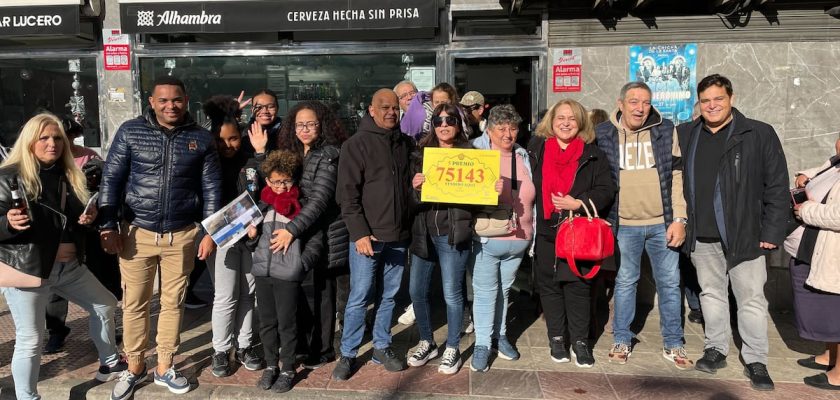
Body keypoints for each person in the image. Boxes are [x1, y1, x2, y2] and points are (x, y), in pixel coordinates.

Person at [99, 76, 221, 399]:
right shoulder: (130, 131)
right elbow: (111, 179)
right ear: (151, 101)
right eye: (163, 100)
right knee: (135, 303)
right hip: (136, 233)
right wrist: (107, 224)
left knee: (173, 301)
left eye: (176, 100)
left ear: (186, 99)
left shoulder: (201, 138)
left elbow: (211, 190)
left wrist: (208, 232)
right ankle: (135, 366)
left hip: (181, 234)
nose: (171, 106)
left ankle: (165, 366)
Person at [0, 113, 126, 400]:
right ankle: (27, 397)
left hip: (68, 267)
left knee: (105, 304)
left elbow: (73, 219)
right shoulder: (8, 177)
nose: (52, 143)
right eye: (43, 138)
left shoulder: (68, 174)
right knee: (31, 339)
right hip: (29, 271)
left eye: (57, 138)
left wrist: (89, 217)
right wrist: (7, 222)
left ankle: (109, 362)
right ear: (29, 141)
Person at [678, 74, 789, 391]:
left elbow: (778, 186)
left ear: (731, 98)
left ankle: (756, 360)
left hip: (746, 234)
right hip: (702, 234)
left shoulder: (758, 133)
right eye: (705, 100)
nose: (712, 105)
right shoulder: (687, 134)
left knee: (751, 300)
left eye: (718, 99)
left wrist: (772, 230)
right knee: (710, 295)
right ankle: (716, 348)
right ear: (698, 104)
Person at [595, 81, 692, 370]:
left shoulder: (665, 130)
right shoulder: (604, 133)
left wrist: (679, 218)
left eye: (646, 102)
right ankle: (622, 338)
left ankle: (674, 342)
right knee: (625, 283)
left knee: (670, 284)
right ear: (620, 103)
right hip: (623, 224)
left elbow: (677, 175)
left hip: (661, 224)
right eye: (634, 101)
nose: (640, 107)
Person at [333, 89, 414, 381]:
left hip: (398, 236)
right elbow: (347, 196)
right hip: (368, 238)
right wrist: (360, 234)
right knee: (360, 296)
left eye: (395, 108)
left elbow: (407, 189)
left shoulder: (405, 143)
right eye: (385, 107)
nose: (391, 112)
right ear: (371, 110)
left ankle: (381, 344)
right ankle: (349, 352)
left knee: (389, 296)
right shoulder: (355, 145)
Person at [528, 99, 616, 368]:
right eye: (560, 118)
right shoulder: (537, 149)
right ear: (551, 122)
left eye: (572, 119)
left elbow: (606, 190)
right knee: (550, 287)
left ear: (581, 124)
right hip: (545, 231)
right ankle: (556, 337)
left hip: (577, 233)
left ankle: (580, 341)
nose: (565, 123)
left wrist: (578, 203)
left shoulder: (592, 154)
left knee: (579, 289)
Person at [406, 103, 485, 375]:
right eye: (438, 120)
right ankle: (427, 341)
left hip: (452, 235)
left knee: (452, 294)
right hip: (423, 234)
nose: (443, 124)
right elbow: (409, 201)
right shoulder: (420, 155)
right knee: (417, 291)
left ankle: (452, 346)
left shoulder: (471, 156)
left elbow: (480, 201)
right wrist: (415, 189)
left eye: (449, 119)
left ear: (459, 123)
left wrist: (492, 188)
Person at [273, 100, 348, 369]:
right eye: (300, 124)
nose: (305, 129)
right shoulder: (294, 153)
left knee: (323, 294)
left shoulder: (329, 154)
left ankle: (323, 349)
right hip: (305, 233)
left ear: (322, 125)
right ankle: (304, 346)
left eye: (311, 124)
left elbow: (319, 200)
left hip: (326, 234)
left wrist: (291, 230)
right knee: (305, 293)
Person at [201, 96, 265, 378]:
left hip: (250, 236)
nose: (229, 145)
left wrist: (261, 154)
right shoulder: (206, 164)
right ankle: (220, 349)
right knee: (226, 295)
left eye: (234, 138)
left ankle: (245, 345)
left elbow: (263, 193)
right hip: (219, 239)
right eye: (222, 140)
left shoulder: (252, 160)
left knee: (248, 294)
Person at [250, 149, 322, 393]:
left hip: (288, 275)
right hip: (262, 271)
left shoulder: (300, 205)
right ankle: (271, 365)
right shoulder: (262, 204)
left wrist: (301, 264)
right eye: (275, 181)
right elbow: (253, 241)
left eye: (286, 181)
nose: (280, 187)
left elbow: (315, 240)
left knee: (287, 323)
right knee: (267, 322)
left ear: (293, 179)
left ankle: (288, 367)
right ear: (267, 180)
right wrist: (251, 237)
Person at [469, 104, 535, 373]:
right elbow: (463, 193)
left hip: (519, 239)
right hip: (488, 237)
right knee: (485, 293)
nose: (508, 133)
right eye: (501, 128)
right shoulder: (476, 152)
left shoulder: (522, 154)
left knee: (505, 290)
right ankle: (482, 344)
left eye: (513, 127)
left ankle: (500, 335)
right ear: (489, 129)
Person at [43, 116, 118, 354]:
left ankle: (107, 331)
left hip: (85, 229)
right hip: (54, 240)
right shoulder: (42, 165)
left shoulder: (89, 156)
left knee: (102, 284)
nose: (58, 143)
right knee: (52, 291)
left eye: (64, 138)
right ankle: (56, 331)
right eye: (51, 138)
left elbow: (103, 188)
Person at [786, 138, 840, 390]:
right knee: (827, 309)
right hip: (817, 249)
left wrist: (806, 210)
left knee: (836, 312)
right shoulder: (835, 162)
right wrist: (806, 175)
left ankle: (839, 373)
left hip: (833, 254)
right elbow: (825, 167)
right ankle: (830, 356)